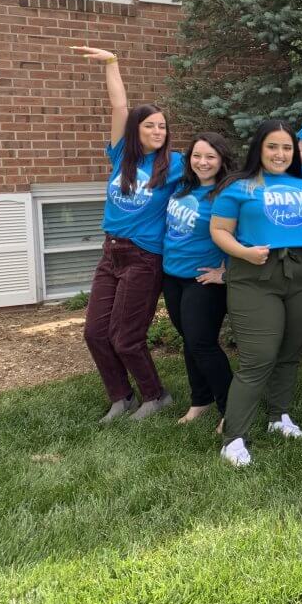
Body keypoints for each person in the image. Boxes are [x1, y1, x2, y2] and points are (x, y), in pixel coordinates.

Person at [73, 45, 184, 423]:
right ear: (137, 130)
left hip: (144, 256)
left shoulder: (175, 163)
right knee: (95, 332)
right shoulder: (124, 156)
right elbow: (119, 107)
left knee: (126, 336)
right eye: (150, 125)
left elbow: (211, 168)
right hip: (111, 254)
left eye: (162, 126)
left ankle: (156, 395)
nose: (157, 130)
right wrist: (112, 65)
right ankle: (121, 396)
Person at [210, 120, 302, 466]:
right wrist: (244, 253)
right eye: (272, 147)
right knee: (258, 357)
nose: (280, 154)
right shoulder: (238, 187)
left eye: (287, 148)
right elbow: (219, 230)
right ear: (259, 149)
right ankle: (233, 438)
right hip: (255, 274)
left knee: (290, 351)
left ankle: (279, 416)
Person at [162, 132, 235, 429]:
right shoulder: (182, 185)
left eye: (210, 157)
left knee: (202, 343)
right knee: (190, 342)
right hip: (172, 276)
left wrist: (226, 272)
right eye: (197, 156)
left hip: (203, 281)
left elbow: (243, 233)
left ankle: (232, 409)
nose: (202, 162)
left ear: (221, 160)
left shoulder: (226, 194)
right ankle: (200, 400)